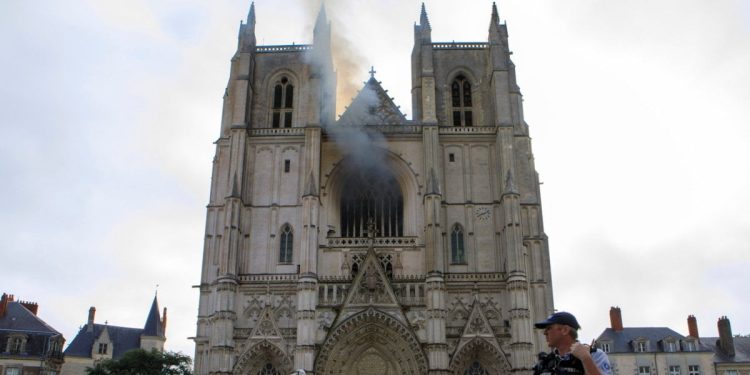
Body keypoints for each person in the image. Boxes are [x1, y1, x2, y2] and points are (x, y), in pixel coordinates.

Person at [533, 311, 612, 375]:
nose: (545, 333)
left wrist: (586, 359)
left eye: (549, 328)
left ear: (565, 330)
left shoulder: (594, 355)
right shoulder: (545, 362)